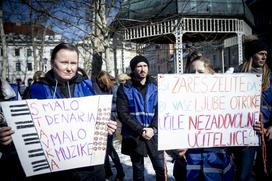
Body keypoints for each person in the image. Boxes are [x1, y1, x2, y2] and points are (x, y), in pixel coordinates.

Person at [0, 42, 117, 181]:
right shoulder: (36, 90)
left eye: (73, 63)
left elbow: (107, 120)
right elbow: (21, 132)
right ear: (52, 62)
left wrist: (110, 127)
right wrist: (7, 139)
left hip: (91, 171)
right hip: (53, 173)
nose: (69, 68)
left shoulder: (90, 87)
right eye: (64, 62)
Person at [173, 53, 235, 181]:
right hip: (189, 164)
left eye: (200, 72)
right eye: (192, 72)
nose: (195, 76)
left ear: (210, 74)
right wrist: (175, 147)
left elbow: (236, 125)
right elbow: (171, 130)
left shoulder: (225, 99)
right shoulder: (177, 101)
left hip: (216, 163)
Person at [117, 55, 165, 181]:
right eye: (139, 66)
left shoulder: (157, 86)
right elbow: (123, 113)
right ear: (133, 69)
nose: (142, 69)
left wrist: (153, 128)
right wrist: (140, 129)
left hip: (154, 134)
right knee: (138, 171)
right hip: (135, 135)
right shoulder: (125, 88)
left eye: (145, 66)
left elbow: (161, 109)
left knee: (160, 169)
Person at [234, 38, 272, 181]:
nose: (264, 57)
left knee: (264, 173)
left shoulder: (270, 77)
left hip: (266, 133)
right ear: (251, 54)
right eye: (261, 53)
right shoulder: (237, 75)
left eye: (266, 55)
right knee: (243, 174)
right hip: (245, 132)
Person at [93, 70, 125, 181]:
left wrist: (106, 108)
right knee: (103, 149)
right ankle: (108, 171)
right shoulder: (97, 88)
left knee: (109, 149)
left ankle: (120, 172)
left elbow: (118, 106)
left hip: (110, 121)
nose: (101, 84)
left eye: (102, 82)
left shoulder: (114, 89)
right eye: (99, 82)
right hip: (100, 121)